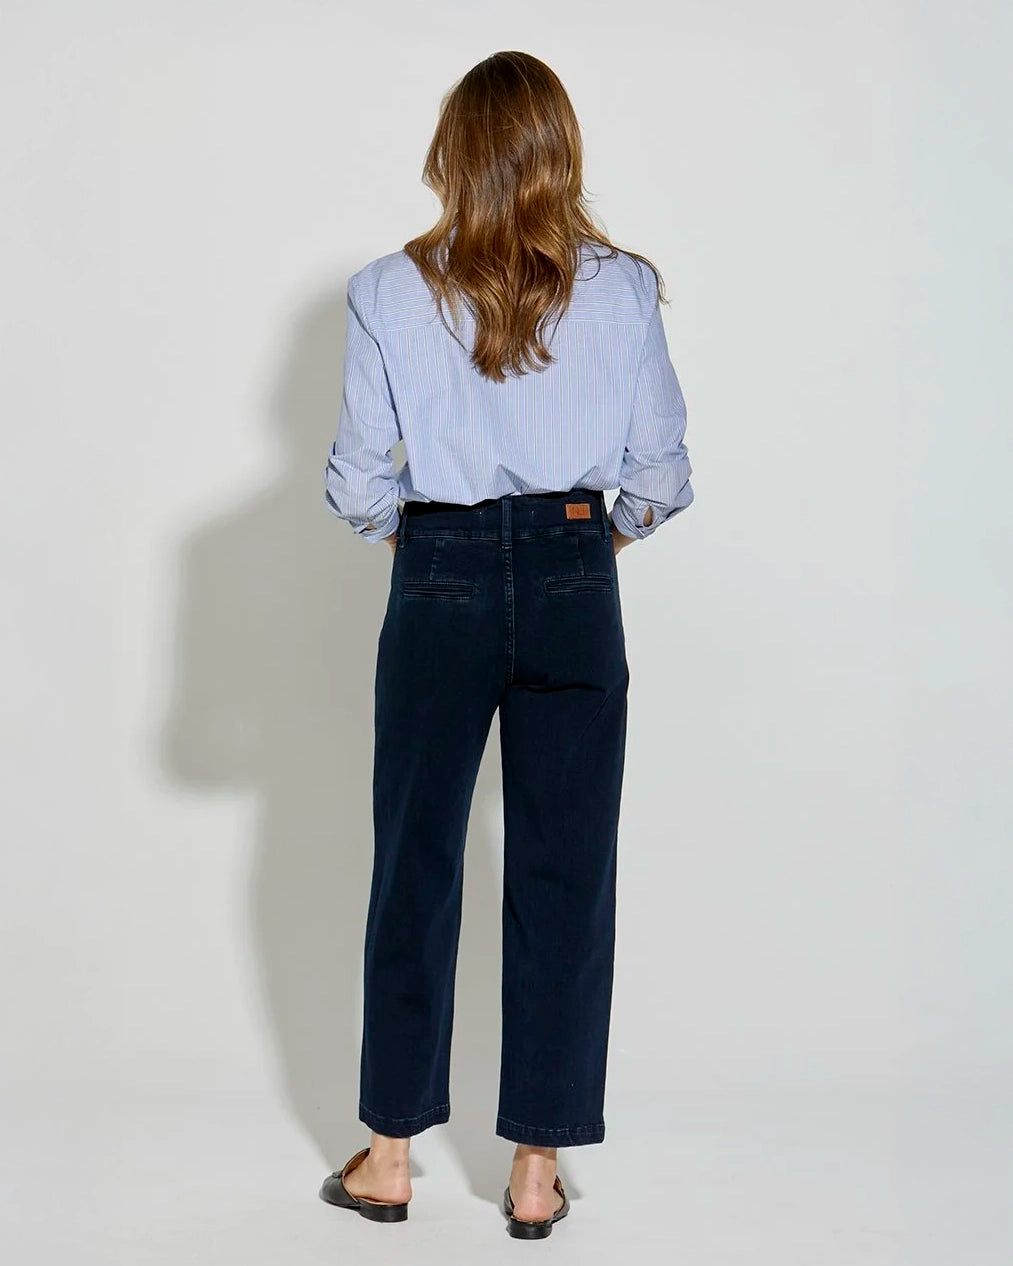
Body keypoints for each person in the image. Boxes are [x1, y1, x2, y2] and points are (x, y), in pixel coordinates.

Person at [318, 50, 694, 1239]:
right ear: (557, 153)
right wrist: (581, 551)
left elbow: (354, 483)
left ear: (452, 153)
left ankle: (388, 1157)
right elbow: (659, 474)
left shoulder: (387, 290)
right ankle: (534, 1171)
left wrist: (433, 551)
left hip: (437, 569)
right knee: (564, 873)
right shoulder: (623, 290)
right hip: (577, 567)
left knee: (414, 862)